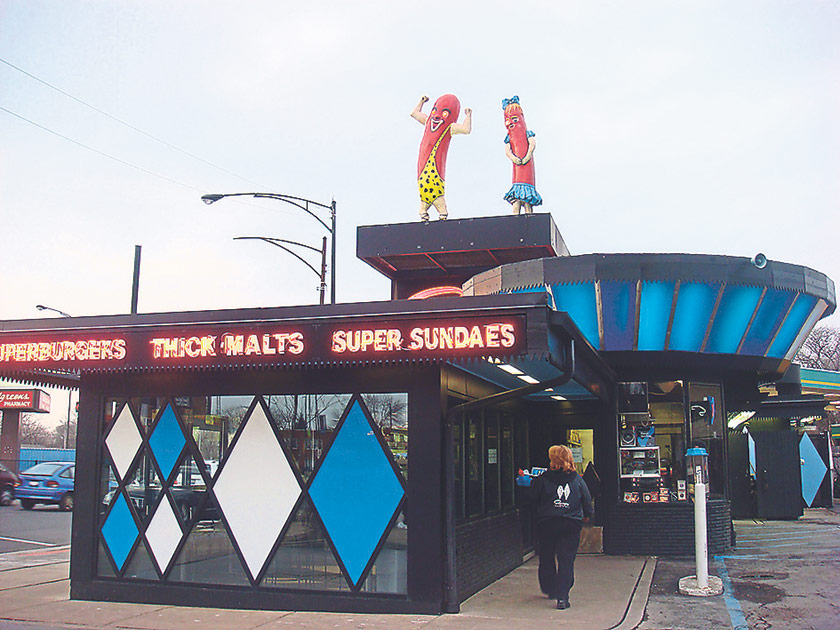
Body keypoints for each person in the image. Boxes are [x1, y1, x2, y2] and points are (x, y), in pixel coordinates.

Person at [527, 444, 593, 610]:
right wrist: (586, 516)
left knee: (547, 556)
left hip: (547, 523)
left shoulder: (542, 479)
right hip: (570, 524)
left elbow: (532, 501)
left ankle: (550, 589)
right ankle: (563, 597)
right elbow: (586, 500)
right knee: (566, 559)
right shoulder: (577, 479)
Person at [411, 94, 472, 222]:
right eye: (434, 111)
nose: (437, 116)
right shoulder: (428, 121)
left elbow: (466, 129)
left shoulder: (450, 127)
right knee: (424, 193)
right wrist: (421, 102)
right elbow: (414, 113)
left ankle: (437, 213)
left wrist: (468, 116)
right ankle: (425, 210)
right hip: (422, 171)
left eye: (444, 114)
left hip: (436, 173)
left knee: (438, 197)